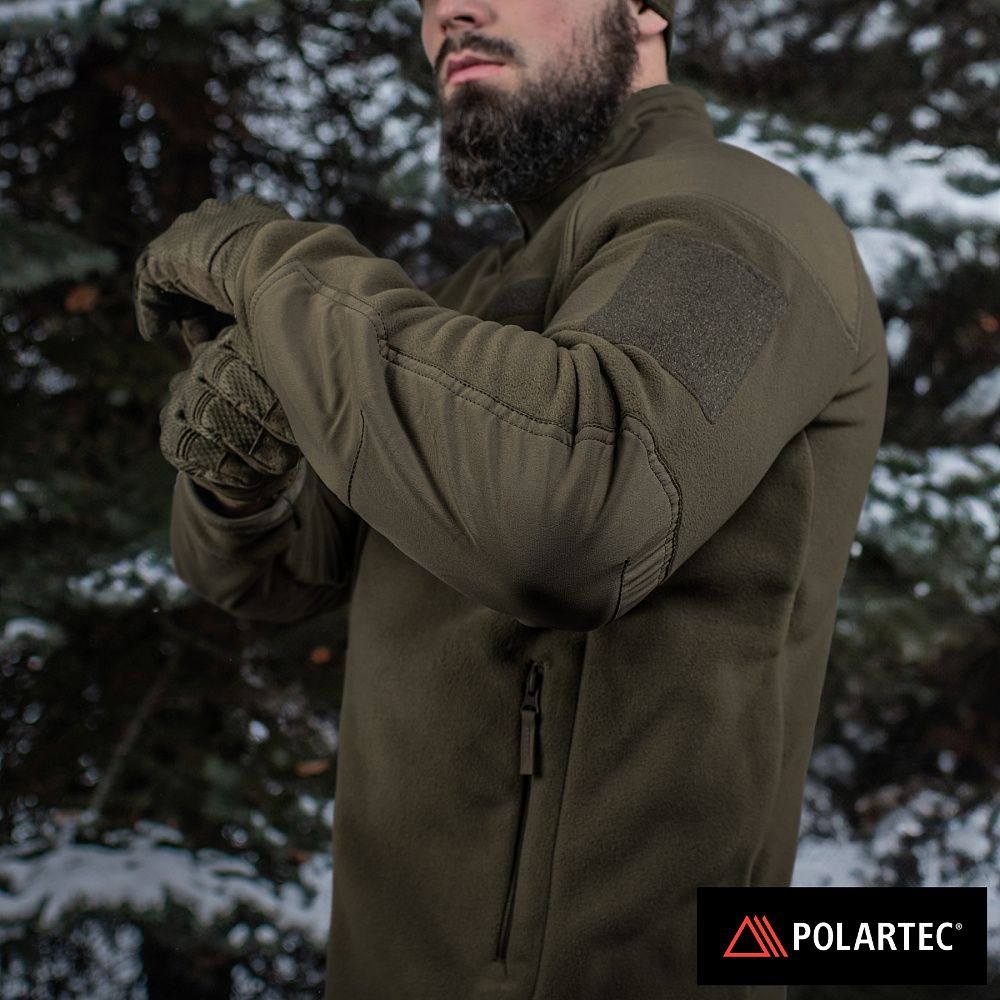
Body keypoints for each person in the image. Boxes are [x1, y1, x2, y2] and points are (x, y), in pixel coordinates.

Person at [133, 0, 888, 997]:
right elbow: (273, 571)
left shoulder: (742, 225)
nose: (449, 10)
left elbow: (573, 518)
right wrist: (238, 469)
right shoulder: (467, 297)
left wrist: (275, 271)